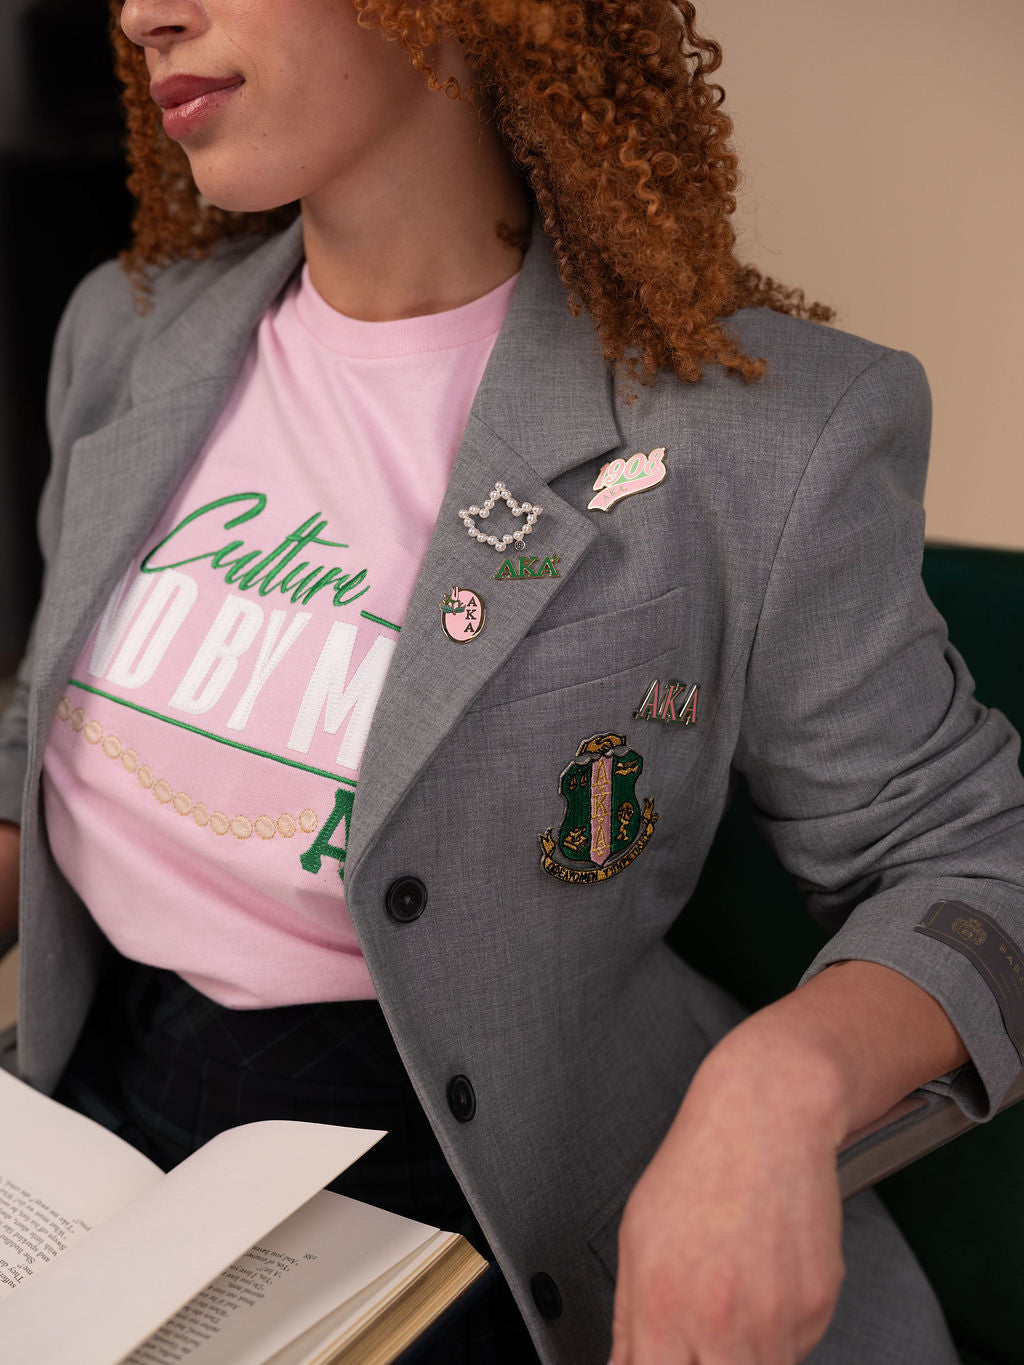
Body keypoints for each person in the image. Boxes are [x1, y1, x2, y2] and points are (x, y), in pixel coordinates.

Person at [1, 1, 1022, 1362]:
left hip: (471, 1199)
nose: (142, 12)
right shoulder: (124, 332)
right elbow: (42, 733)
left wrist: (779, 1084)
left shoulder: (764, 438)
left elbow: (977, 861)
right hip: (100, 1119)